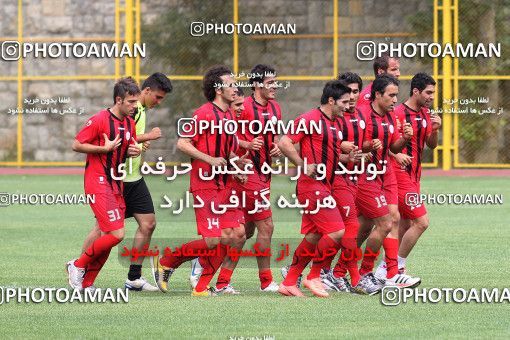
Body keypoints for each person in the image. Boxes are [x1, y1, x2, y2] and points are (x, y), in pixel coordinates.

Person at [151, 65, 249, 296]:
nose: (235, 88)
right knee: (214, 240)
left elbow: (227, 153)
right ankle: (166, 261)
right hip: (205, 183)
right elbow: (183, 143)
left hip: (225, 184)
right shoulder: (203, 113)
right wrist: (210, 159)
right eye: (231, 84)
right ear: (218, 89)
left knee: (238, 234)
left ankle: (202, 286)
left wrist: (236, 166)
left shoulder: (228, 116)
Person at [80, 72, 173, 292]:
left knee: (147, 224)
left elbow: (129, 138)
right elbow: (120, 136)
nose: (158, 103)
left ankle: (133, 277)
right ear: (146, 92)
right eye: (157, 97)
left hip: (134, 177)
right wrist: (147, 137)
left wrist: (137, 145)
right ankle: (79, 268)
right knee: (105, 231)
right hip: (119, 178)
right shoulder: (134, 110)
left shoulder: (138, 110)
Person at [277, 80, 360, 297]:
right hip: (311, 186)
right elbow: (284, 142)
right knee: (337, 231)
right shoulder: (310, 119)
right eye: (344, 102)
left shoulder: (334, 122)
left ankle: (289, 282)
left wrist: (346, 158)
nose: (347, 106)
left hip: (325, 185)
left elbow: (329, 154)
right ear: (331, 100)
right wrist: (303, 165)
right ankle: (314, 275)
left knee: (314, 237)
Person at [66, 77, 141, 291]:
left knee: (105, 235)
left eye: (136, 102)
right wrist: (103, 149)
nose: (135, 106)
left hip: (116, 183)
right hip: (97, 182)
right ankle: (77, 265)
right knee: (117, 234)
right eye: (131, 102)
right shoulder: (100, 119)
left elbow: (124, 150)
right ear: (119, 100)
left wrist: (131, 152)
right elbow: (77, 144)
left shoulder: (129, 123)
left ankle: (87, 283)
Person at [354, 74, 419, 294]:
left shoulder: (391, 117)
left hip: (386, 174)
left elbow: (394, 147)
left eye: (396, 96)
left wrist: (406, 139)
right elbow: (353, 147)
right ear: (377, 95)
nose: (394, 100)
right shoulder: (362, 116)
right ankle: (365, 273)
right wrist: (367, 146)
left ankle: (389, 274)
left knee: (392, 220)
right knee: (381, 224)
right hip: (367, 176)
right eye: (391, 95)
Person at [374, 73, 441, 280]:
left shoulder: (424, 113)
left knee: (405, 224)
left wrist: (436, 129)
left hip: (415, 176)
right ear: (416, 91)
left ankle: (386, 267)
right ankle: (397, 268)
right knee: (422, 222)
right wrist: (396, 154)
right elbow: (386, 143)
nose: (431, 96)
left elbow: (431, 144)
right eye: (428, 92)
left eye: (433, 93)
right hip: (399, 175)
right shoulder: (398, 113)